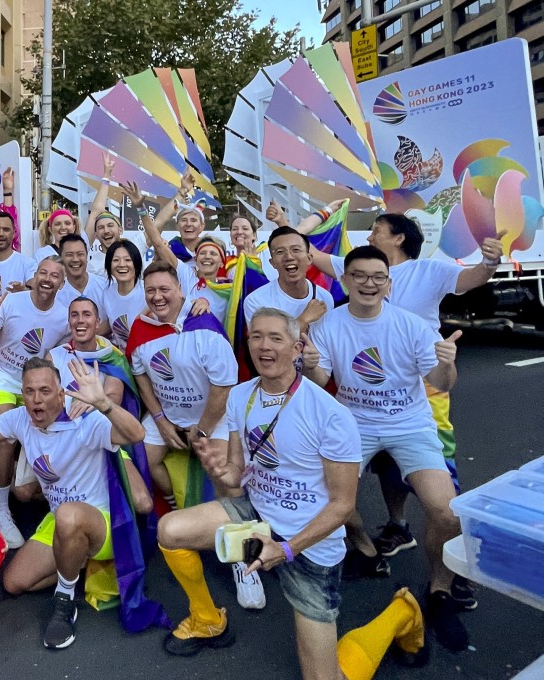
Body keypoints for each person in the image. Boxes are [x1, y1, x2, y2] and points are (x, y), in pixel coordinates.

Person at [159, 307, 425, 680]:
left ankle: (402, 614)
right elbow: (237, 474)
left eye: (275, 338)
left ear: (297, 347)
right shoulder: (240, 396)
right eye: (256, 337)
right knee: (170, 530)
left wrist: (286, 550)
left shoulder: (330, 414)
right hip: (258, 517)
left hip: (311, 543)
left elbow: (343, 505)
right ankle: (207, 619)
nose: (263, 346)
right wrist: (219, 468)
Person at [297, 207, 503, 568]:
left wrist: (488, 263)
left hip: (424, 382)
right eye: (359, 277)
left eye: (376, 229)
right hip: (363, 398)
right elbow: (308, 252)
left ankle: (456, 559)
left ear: (399, 238)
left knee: (439, 480)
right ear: (348, 279)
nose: (369, 236)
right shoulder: (357, 270)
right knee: (386, 468)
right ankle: (398, 526)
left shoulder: (428, 271)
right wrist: (296, 221)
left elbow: (473, 278)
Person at [303, 245, 469, 650]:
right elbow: (321, 379)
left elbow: (442, 383)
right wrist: (309, 363)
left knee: (447, 512)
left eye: (378, 277)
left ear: (388, 284)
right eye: (359, 275)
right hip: (353, 424)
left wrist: (447, 362)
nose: (369, 283)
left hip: (409, 424)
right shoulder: (329, 325)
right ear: (346, 280)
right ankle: (365, 547)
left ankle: (440, 590)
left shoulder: (411, 325)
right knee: (325, 500)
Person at [0, 358, 146, 649]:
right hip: (61, 521)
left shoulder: (85, 419)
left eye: (44, 391)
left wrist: (104, 404)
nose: (36, 399)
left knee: (68, 515)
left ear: (60, 394)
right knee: (15, 582)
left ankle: (65, 599)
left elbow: (136, 434)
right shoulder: (20, 418)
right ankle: (77, 561)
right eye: (29, 391)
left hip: (104, 524)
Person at [0, 256, 70, 548]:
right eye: (43, 273)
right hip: (2, 378)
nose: (47, 279)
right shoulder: (12, 302)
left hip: (34, 385)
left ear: (62, 283)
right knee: (6, 437)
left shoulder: (64, 317)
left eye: (55, 276)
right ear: (34, 276)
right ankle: (0, 510)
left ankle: (56, 500)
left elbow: (59, 356)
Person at [126, 260, 236, 510]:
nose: (157, 297)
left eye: (164, 289)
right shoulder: (141, 329)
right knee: (143, 460)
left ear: (180, 290)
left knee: (224, 475)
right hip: (168, 415)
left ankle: (225, 522)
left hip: (214, 418)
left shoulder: (205, 327)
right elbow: (140, 376)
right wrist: (160, 420)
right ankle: (174, 502)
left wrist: (203, 429)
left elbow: (224, 388)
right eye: (150, 291)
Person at [48, 296, 152, 513]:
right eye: (74, 315)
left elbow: (114, 396)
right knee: (24, 491)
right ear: (69, 322)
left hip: (102, 435)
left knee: (143, 503)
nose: (80, 320)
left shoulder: (111, 357)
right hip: (63, 438)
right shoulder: (55, 356)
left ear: (97, 323)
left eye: (86, 315)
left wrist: (95, 401)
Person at [124, 180, 230, 324]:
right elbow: (157, 242)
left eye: (213, 254)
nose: (207, 257)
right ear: (196, 258)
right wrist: (140, 208)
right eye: (203, 253)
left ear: (222, 262)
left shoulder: (229, 289)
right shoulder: (187, 275)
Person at [243, 227, 333, 333]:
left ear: (309, 259)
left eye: (296, 250)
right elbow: (268, 342)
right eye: (280, 252)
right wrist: (304, 319)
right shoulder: (256, 301)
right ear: (272, 263)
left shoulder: (324, 298)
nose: (289, 257)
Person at [98, 240, 145, 351]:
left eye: (127, 260)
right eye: (116, 260)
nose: (122, 264)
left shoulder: (147, 290)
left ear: (136, 264)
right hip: (123, 357)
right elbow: (109, 324)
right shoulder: (107, 293)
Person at [81, 154, 122, 277]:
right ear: (96, 235)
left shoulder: (132, 252)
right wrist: (106, 176)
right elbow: (96, 211)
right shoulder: (91, 264)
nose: (106, 231)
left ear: (120, 230)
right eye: (100, 227)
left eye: (110, 225)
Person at [0, 206, 34, 295]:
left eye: (6, 230)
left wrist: (24, 291)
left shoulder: (27, 264)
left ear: (14, 233)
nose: (1, 234)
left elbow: (36, 292)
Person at [56, 234, 107, 311]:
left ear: (87, 256)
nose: (75, 259)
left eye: (80, 254)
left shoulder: (105, 287)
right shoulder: (56, 295)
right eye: (69, 255)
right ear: (61, 258)